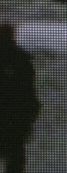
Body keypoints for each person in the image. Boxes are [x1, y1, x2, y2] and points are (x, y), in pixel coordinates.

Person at [0, 24, 38, 173]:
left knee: (15, 155)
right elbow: (28, 90)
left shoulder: (21, 59)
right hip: (16, 117)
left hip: (14, 117)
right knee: (15, 156)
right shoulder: (21, 59)